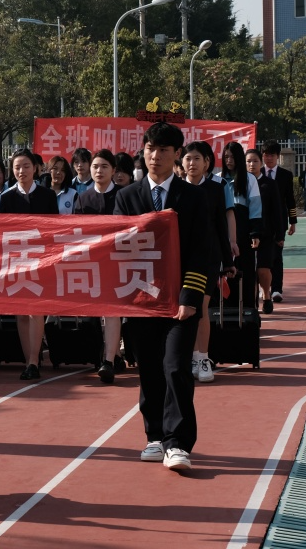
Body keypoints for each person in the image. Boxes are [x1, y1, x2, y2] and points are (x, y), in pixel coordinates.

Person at [113, 122, 209, 471]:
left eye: (164, 150)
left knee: (175, 367)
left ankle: (178, 443)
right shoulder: (126, 197)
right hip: (141, 298)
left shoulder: (194, 197)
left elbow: (204, 250)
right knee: (150, 369)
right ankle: (154, 435)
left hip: (180, 301)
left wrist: (190, 296)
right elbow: (116, 246)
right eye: (150, 149)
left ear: (177, 155)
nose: (155, 156)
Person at [0, 149, 58, 380]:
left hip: (41, 260)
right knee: (21, 313)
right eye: (17, 167)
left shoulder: (47, 195)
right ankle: (29, 361)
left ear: (35, 168)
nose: (21, 171)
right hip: (16, 260)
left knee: (36, 310)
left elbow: (54, 228)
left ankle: (34, 359)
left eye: (25, 166)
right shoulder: (7, 197)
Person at [183, 142, 235, 383]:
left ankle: (203, 358)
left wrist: (228, 261)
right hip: (182, 257)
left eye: (197, 158)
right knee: (186, 308)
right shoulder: (176, 189)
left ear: (206, 163)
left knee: (201, 306)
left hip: (209, 257)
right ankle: (192, 356)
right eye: (188, 158)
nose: (192, 163)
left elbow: (221, 226)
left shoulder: (215, 189)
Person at [75, 150, 124, 383]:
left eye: (104, 166)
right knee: (94, 312)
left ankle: (109, 361)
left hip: (118, 262)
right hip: (91, 262)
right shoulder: (83, 199)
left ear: (113, 170)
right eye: (95, 166)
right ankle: (109, 355)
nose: (99, 171)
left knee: (113, 311)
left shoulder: (123, 196)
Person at [223, 142, 263, 309]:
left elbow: (255, 207)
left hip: (244, 231)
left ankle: (248, 308)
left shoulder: (249, 179)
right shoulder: (218, 179)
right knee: (225, 270)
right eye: (226, 157)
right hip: (223, 231)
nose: (229, 160)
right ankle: (226, 308)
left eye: (232, 157)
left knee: (245, 269)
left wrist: (255, 233)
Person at [247, 149, 285, 315]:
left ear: (261, 163)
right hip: (245, 234)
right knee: (249, 272)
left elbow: (277, 211)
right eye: (248, 161)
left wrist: (280, 234)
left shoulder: (269, 184)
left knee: (263, 269)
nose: (252, 164)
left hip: (266, 234)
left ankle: (267, 295)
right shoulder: (240, 184)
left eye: (255, 161)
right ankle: (252, 301)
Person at [261, 141, 297, 303]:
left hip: (279, 222)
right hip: (260, 222)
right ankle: (264, 289)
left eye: (272, 155)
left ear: (277, 156)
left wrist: (293, 221)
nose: (268, 158)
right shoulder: (257, 173)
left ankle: (276, 289)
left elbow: (290, 199)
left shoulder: (285, 175)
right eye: (266, 155)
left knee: (276, 256)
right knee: (262, 258)